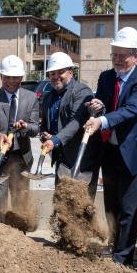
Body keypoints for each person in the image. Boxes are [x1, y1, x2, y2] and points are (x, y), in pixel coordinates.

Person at [84, 27, 137, 266]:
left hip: (133, 152)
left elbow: (130, 110)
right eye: (115, 54)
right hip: (110, 150)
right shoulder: (106, 77)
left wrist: (102, 120)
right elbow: (107, 106)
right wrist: (98, 106)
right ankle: (114, 246)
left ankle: (123, 259)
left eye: (123, 55)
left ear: (136, 55)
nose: (117, 60)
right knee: (111, 204)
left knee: (128, 207)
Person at [0, 55, 39, 222]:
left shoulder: (31, 98)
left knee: (20, 198)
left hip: (21, 156)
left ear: (21, 77)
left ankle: (20, 238)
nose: (11, 81)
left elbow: (35, 128)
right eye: (7, 77)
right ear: (1, 77)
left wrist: (25, 127)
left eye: (15, 77)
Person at [40, 52, 99, 198]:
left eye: (61, 72)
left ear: (71, 72)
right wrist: (44, 135)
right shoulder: (48, 97)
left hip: (81, 158)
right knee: (61, 206)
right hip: (62, 160)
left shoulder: (81, 91)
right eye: (52, 73)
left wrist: (55, 140)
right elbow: (45, 125)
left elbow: (77, 122)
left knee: (82, 209)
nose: (56, 77)